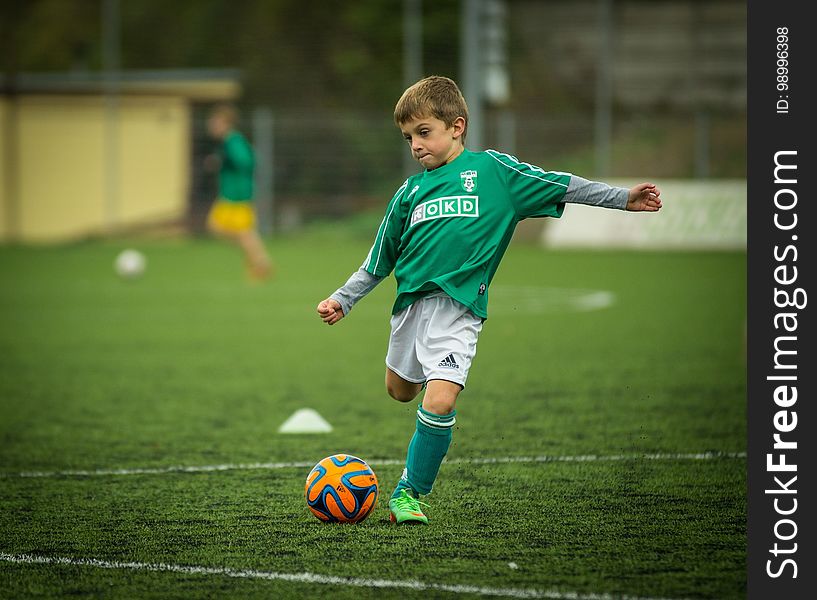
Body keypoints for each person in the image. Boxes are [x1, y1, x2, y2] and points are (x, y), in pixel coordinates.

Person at [316, 76, 662, 525]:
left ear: (457, 126)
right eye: (408, 138)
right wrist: (343, 300)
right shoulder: (408, 193)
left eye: (424, 132)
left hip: (459, 310)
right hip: (410, 311)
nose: (416, 145)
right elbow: (378, 260)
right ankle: (432, 388)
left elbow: (561, 184)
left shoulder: (495, 173)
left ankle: (409, 493)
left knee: (439, 402)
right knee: (400, 391)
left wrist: (621, 198)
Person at [205, 103, 273, 281]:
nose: (212, 125)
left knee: (239, 232)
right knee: (224, 229)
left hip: (237, 194)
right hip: (230, 194)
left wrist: (225, 161)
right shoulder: (228, 142)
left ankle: (260, 262)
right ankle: (258, 260)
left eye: (215, 122)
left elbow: (247, 161)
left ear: (225, 123)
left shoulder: (232, 140)